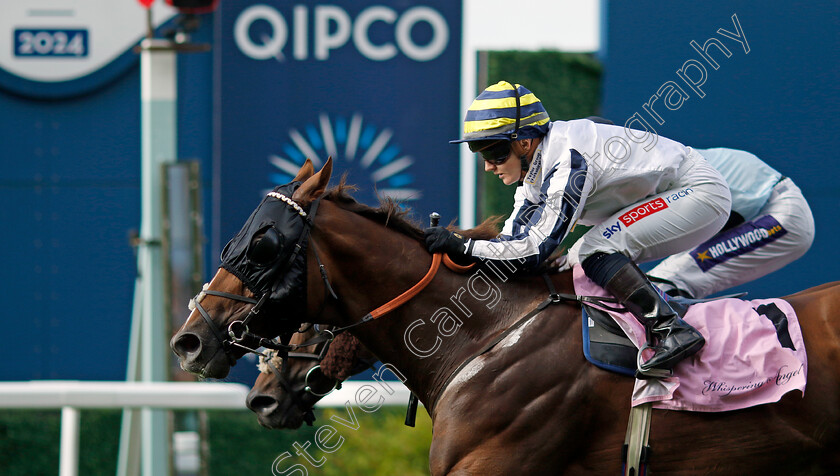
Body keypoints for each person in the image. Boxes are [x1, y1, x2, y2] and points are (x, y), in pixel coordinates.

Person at [424, 81, 732, 375]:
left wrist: (463, 245)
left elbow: (532, 251)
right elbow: (510, 243)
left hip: (699, 192)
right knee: (576, 256)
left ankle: (673, 331)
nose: (489, 165)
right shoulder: (534, 171)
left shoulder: (568, 162)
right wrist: (464, 254)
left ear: (525, 142)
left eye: (494, 152)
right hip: (671, 192)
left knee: (593, 249)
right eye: (480, 153)